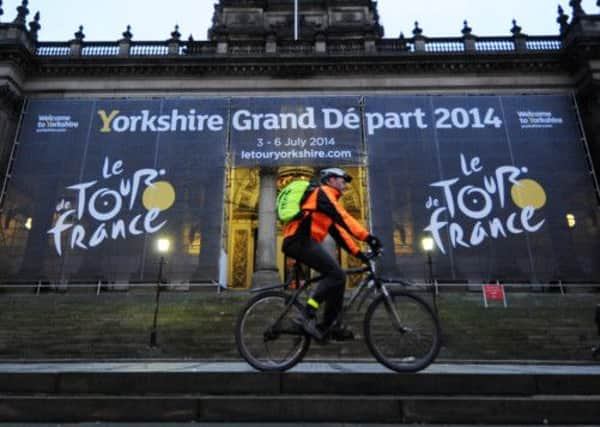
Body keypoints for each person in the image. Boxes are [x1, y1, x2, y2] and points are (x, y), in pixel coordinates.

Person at [281, 167, 382, 341]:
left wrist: (360, 255)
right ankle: (306, 313)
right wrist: (369, 238)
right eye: (342, 179)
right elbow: (345, 218)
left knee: (339, 279)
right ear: (330, 181)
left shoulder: (325, 207)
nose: (345, 184)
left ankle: (330, 325)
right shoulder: (323, 193)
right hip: (298, 240)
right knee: (336, 274)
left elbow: (341, 234)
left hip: (303, 241)